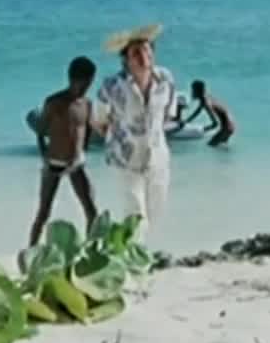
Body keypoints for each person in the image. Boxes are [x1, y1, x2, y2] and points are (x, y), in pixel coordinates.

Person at [89, 23, 176, 242]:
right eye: (136, 53)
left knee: (156, 210)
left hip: (157, 157)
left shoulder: (165, 80)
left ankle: (147, 252)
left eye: (147, 51)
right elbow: (99, 121)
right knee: (135, 212)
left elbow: (168, 114)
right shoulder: (112, 86)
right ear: (126, 60)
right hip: (125, 159)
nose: (143, 56)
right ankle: (133, 253)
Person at [28, 56, 100, 250]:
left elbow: (88, 130)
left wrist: (82, 152)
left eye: (90, 82)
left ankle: (91, 249)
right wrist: (44, 155)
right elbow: (41, 130)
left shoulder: (87, 104)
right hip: (54, 163)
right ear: (74, 80)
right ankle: (31, 250)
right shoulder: (54, 102)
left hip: (76, 164)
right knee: (44, 212)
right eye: (86, 82)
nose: (87, 86)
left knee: (91, 209)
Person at [183, 80, 237, 147]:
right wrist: (185, 122)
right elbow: (197, 112)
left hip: (226, 127)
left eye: (193, 90)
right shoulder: (206, 98)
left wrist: (203, 129)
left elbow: (215, 123)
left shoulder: (206, 102)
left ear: (197, 91)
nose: (192, 92)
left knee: (210, 145)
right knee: (221, 148)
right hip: (231, 125)